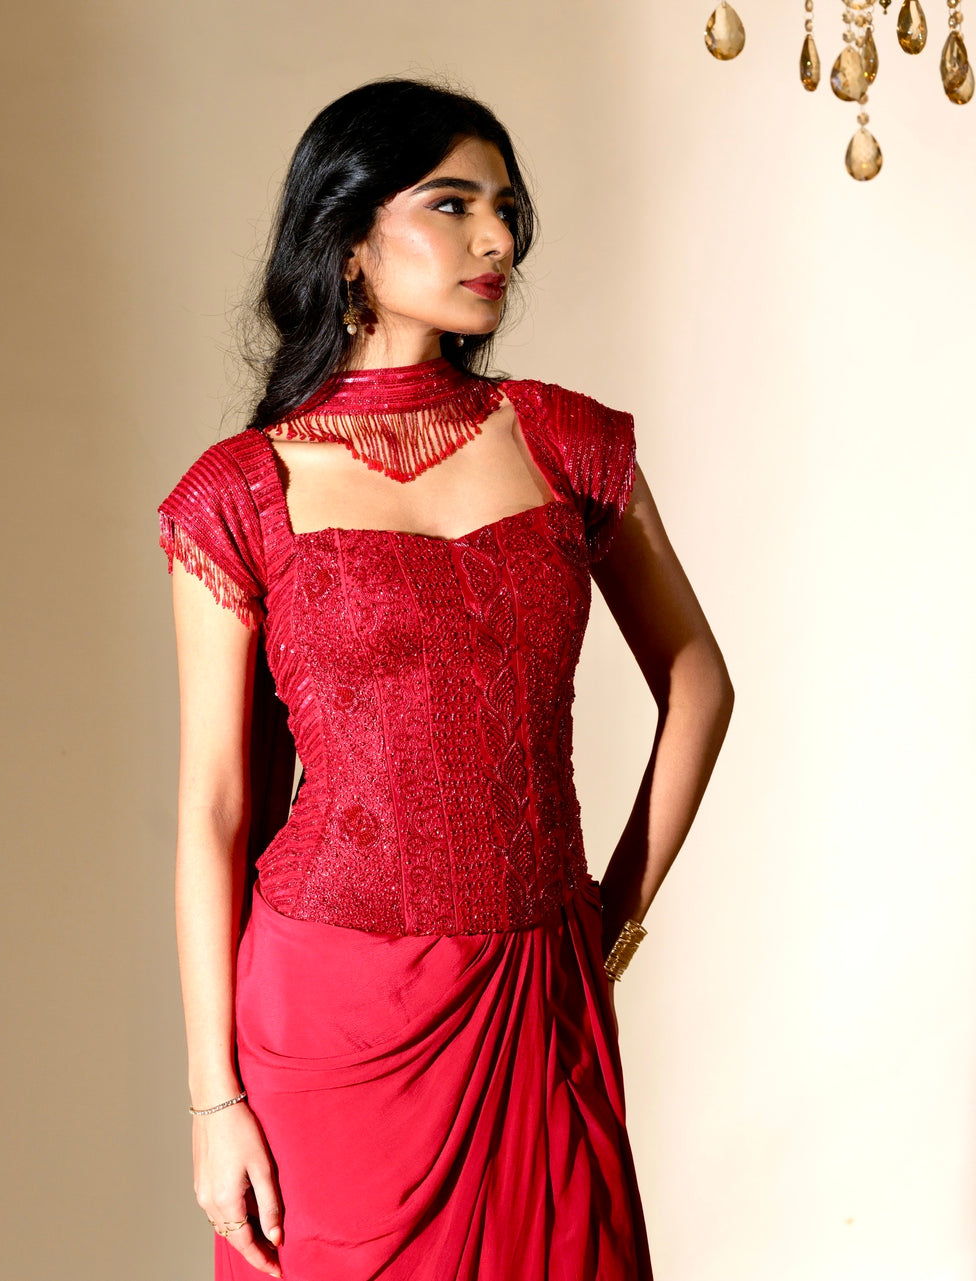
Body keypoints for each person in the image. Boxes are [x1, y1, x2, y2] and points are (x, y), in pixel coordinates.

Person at [158, 76, 734, 1281]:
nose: (498, 239)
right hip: (327, 1017)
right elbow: (215, 807)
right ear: (349, 240)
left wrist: (610, 915)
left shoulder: (564, 440)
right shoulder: (238, 493)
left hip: (536, 992)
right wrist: (216, 1102)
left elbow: (697, 680)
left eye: (508, 209)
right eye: (454, 203)